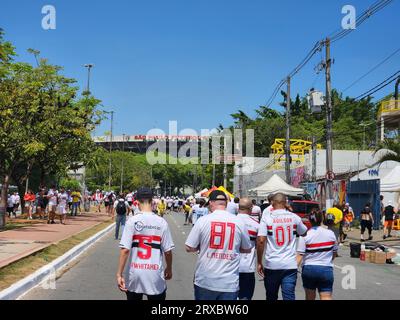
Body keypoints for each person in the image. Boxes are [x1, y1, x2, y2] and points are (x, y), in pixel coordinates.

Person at [185, 190, 252, 300]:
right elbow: (247, 248)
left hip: (205, 279)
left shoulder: (203, 221)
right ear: (225, 203)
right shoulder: (238, 222)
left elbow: (189, 247)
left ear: (211, 203)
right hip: (229, 282)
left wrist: (201, 246)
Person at [117, 187, 174, 301]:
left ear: (137, 202)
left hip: (135, 273)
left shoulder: (132, 221)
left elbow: (125, 250)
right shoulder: (161, 222)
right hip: (155, 274)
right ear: (152, 201)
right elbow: (168, 251)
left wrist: (119, 274)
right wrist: (169, 268)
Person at [257, 193, 308, 301]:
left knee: (271, 296)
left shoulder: (267, 218)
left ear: (272, 203)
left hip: (272, 264)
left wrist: (259, 261)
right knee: (289, 296)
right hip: (290, 265)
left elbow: (261, 241)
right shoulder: (294, 217)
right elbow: (303, 232)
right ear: (286, 203)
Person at [297, 209, 338, 300]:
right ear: (322, 219)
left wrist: (292, 270)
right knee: (326, 296)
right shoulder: (331, 234)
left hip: (309, 269)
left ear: (309, 220)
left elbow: (300, 255)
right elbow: (334, 253)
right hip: (326, 269)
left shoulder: (305, 235)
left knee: (310, 297)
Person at [237, 198, 259, 300]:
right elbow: (260, 245)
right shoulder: (256, 225)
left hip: (229, 266)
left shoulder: (230, 221)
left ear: (238, 208)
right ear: (251, 209)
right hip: (247, 267)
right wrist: (260, 262)